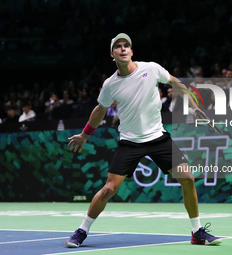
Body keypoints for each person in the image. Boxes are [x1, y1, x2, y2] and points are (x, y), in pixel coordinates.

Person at [65, 33, 221, 248]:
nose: (123, 48)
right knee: (109, 189)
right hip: (129, 142)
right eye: (118, 46)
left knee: (188, 178)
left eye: (126, 45)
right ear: (112, 54)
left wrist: (195, 108)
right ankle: (82, 230)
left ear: (131, 51)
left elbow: (176, 82)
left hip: (158, 138)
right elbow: (100, 109)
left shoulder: (151, 68)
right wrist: (85, 134)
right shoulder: (110, 84)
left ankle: (197, 232)